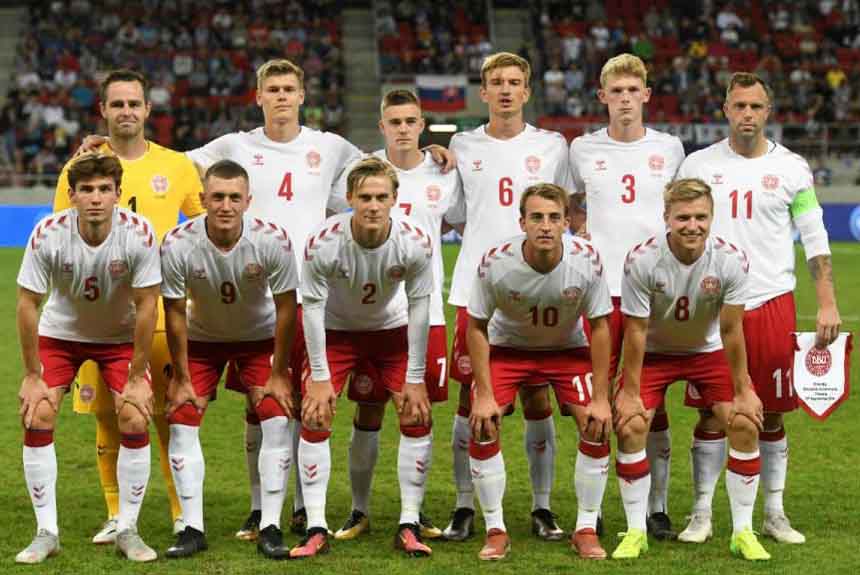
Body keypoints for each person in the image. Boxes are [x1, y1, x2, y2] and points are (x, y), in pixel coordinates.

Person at [184, 58, 363, 540]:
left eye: (289, 89)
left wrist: (432, 153)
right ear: (258, 97)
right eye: (273, 89)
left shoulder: (329, 147)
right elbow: (173, 165)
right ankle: (260, 506)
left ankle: (305, 506)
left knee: (306, 403)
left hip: (312, 295)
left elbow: (381, 173)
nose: (282, 96)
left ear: (302, 96)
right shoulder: (234, 146)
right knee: (260, 407)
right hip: (252, 298)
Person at [675, 72, 841, 545]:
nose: (747, 114)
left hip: (771, 302)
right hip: (711, 303)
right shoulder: (698, 165)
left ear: (768, 112)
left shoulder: (792, 168)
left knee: (770, 413)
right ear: (725, 110)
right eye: (739, 105)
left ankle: (774, 513)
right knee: (710, 413)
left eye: (756, 106)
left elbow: (814, 236)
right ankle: (702, 513)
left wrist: (827, 302)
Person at [53, 69, 203, 544]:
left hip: (155, 316)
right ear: (103, 111)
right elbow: (61, 232)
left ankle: (183, 514)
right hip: (95, 319)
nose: (126, 112)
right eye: (116, 104)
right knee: (107, 418)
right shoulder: (79, 169)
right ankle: (118, 514)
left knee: (163, 417)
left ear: (147, 110)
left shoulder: (177, 165)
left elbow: (202, 227)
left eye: (133, 103)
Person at [445, 51, 573, 542]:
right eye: (495, 82)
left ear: (526, 91)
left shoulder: (553, 146)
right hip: (477, 289)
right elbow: (456, 213)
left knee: (537, 394)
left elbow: (563, 211)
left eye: (514, 82)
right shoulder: (462, 144)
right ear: (483, 92)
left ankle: (541, 508)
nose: (504, 90)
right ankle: (463, 506)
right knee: (470, 397)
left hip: (541, 289)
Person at [612, 178, 769, 561]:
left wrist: (743, 387)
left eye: (700, 217)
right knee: (631, 424)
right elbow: (634, 330)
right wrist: (629, 391)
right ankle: (635, 531)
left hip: (706, 351)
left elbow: (731, 330)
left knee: (746, 422)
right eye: (683, 217)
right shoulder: (642, 259)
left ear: (712, 217)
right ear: (666, 217)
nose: (692, 226)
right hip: (654, 352)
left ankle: (743, 532)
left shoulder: (731, 259)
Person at [16, 153, 161, 563]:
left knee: (133, 414)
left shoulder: (139, 234)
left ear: (117, 194)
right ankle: (47, 532)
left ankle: (128, 528)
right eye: (86, 190)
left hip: (118, 338)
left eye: (103, 190)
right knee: (39, 412)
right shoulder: (48, 233)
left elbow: (148, 306)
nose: (95, 198)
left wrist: (135, 376)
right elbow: (28, 304)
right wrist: (31, 374)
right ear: (72, 195)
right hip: (60, 335)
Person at [332, 89, 460, 543]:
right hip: (368, 314)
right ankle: (359, 510)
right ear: (381, 125)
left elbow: (467, 217)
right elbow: (336, 221)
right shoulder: (362, 171)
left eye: (410, 121)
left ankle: (413, 511)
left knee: (417, 411)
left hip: (425, 315)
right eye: (394, 121)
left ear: (422, 124)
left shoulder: (445, 174)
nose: (403, 128)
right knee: (367, 411)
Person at [291, 157, 435, 559]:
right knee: (315, 413)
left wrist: (415, 375)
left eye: (381, 197)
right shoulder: (323, 242)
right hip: (337, 332)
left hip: (391, 333)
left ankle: (409, 521)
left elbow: (421, 307)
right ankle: (316, 526)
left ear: (395, 200)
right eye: (365, 197)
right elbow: (313, 310)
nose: (373, 205)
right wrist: (319, 377)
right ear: (350, 198)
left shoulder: (414, 241)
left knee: (416, 412)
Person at [568, 53, 685, 539]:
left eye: (632, 91)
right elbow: (571, 204)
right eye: (615, 92)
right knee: (593, 402)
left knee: (651, 405)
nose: (624, 100)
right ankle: (591, 510)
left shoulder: (672, 149)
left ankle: (656, 506)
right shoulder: (580, 150)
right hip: (599, 295)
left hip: (654, 295)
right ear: (602, 97)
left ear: (646, 96)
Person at [159, 160, 299, 559]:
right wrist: (181, 375)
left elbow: (288, 307)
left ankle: (270, 526)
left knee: (275, 413)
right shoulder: (177, 243)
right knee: (183, 416)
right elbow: (173, 312)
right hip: (202, 339)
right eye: (217, 197)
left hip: (258, 338)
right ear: (202, 199)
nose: (225, 205)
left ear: (247, 201)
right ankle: (192, 529)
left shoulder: (272, 240)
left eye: (234, 197)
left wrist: (278, 372)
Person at [467, 184, 614, 560]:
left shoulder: (587, 260)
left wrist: (601, 398)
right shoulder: (496, 263)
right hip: (508, 349)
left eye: (553, 218)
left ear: (567, 222)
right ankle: (496, 529)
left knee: (596, 425)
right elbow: (476, 327)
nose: (545, 226)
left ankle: (585, 528)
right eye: (536, 217)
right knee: (482, 423)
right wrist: (483, 395)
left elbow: (600, 327)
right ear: (523, 222)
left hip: (566, 350)